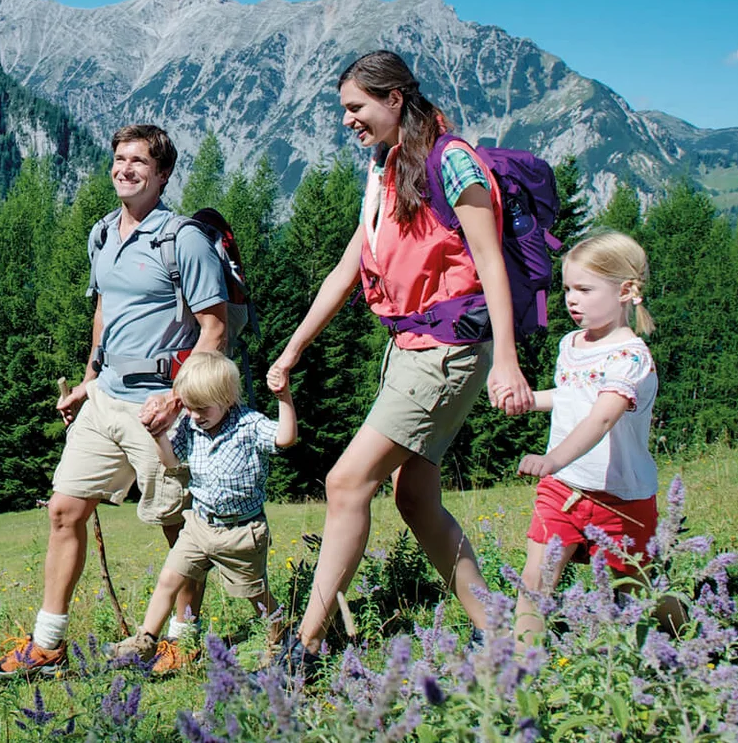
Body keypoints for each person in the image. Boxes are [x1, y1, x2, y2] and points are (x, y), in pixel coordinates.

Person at [264, 50, 532, 655]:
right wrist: (293, 349)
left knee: (346, 482)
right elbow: (347, 269)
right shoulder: (386, 172)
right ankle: (498, 636)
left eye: (355, 107)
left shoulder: (453, 162)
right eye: (343, 110)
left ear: (394, 99)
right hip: (411, 348)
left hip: (447, 350)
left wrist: (509, 360)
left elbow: (491, 264)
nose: (347, 120)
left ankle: (304, 649)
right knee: (414, 498)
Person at [0, 124, 230, 678]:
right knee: (65, 510)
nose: (125, 169)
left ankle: (183, 643)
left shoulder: (182, 239)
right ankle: (47, 645)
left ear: (162, 174)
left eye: (139, 161)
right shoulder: (101, 235)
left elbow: (215, 331)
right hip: (107, 399)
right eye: (119, 159)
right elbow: (104, 314)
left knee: (179, 528)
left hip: (160, 408)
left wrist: (176, 396)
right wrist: (88, 380)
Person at [513, 230, 678, 645]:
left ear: (626, 291)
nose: (572, 299)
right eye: (568, 288)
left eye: (585, 289)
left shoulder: (631, 357)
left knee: (635, 592)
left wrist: (552, 459)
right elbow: (573, 398)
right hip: (563, 491)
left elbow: (602, 417)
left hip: (620, 498)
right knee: (536, 580)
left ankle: (687, 634)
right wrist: (529, 400)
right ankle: (518, 673)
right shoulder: (571, 344)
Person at [108, 351, 297, 674]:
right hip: (198, 524)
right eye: (190, 408)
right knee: (170, 577)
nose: (195, 415)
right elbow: (172, 462)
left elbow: (285, 438)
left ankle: (280, 637)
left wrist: (284, 397)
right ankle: (144, 640)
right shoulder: (191, 428)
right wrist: (158, 435)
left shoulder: (249, 425)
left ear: (226, 398)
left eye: (202, 408)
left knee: (255, 595)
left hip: (241, 532)